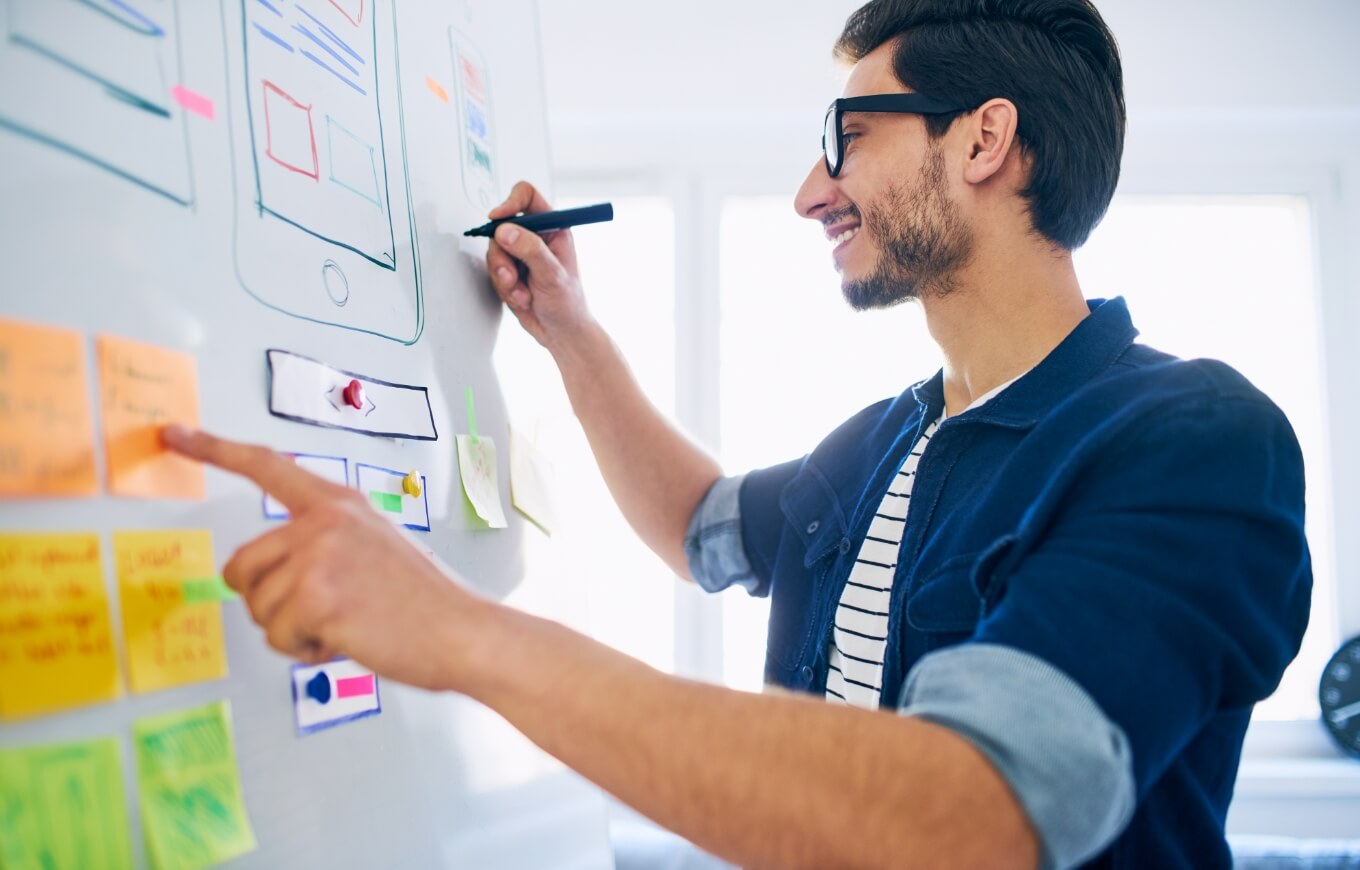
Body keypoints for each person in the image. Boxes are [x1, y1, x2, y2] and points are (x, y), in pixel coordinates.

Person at [163, 0, 1313, 866]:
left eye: (846, 138)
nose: (811, 192)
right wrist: (570, 332)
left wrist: (457, 632)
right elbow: (702, 529)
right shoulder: (885, 440)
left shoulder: (1195, 444)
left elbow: (975, 812)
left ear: (981, 141)